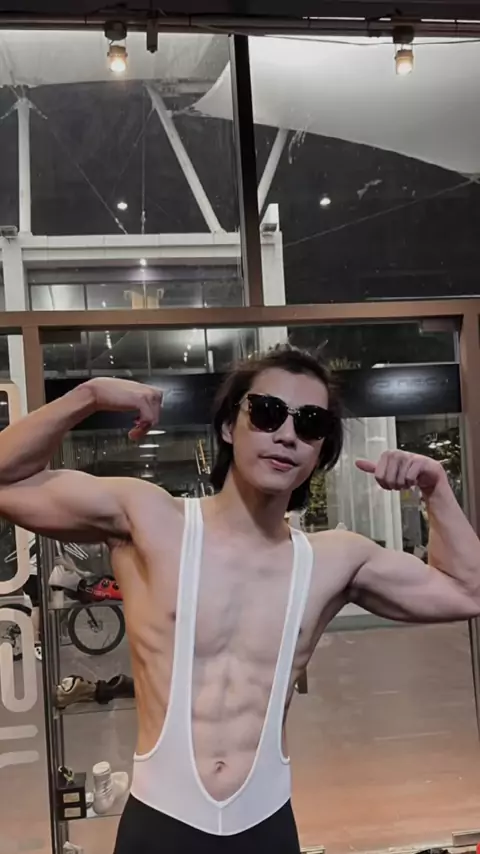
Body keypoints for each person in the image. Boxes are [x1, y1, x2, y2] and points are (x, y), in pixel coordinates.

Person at [0, 345, 479, 854]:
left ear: (320, 450)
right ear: (230, 426)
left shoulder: (334, 559)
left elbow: (466, 590)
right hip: (161, 821)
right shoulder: (152, 520)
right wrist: (89, 395)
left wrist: (436, 489)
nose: (287, 435)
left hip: (265, 824)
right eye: (268, 413)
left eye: (310, 424)